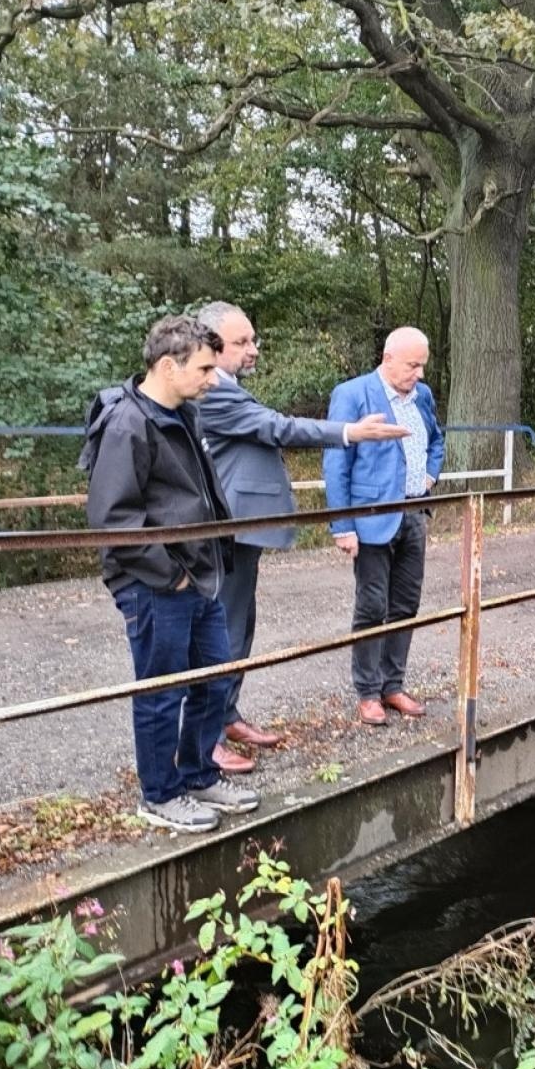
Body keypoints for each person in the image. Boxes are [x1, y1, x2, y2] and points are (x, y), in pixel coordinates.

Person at [195, 301, 410, 773]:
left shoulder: (227, 387)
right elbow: (278, 427)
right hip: (230, 528)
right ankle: (205, 740)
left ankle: (226, 716)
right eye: (242, 342)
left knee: (240, 627)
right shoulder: (213, 391)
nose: (254, 350)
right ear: (209, 345)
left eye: (253, 339)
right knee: (224, 631)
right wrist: (349, 432)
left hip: (242, 529)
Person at [79, 315, 258, 833]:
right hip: (158, 584)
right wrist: (170, 574)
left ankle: (198, 773)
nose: (213, 377)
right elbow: (112, 519)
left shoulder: (184, 413)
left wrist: (210, 557)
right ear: (167, 365)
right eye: (204, 368)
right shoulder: (128, 424)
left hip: (200, 573)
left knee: (211, 679)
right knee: (162, 691)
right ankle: (159, 794)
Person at [323, 326, 445, 727]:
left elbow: (437, 441)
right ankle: (368, 692)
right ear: (388, 358)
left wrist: (430, 474)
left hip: (414, 514)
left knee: (406, 605)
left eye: (422, 365)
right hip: (373, 518)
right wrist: (342, 525)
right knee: (372, 606)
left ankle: (393, 684)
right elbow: (336, 463)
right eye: (413, 365)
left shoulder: (421, 396)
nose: (419, 374)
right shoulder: (353, 394)